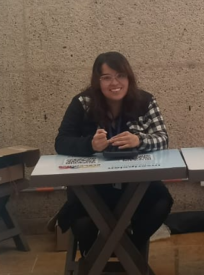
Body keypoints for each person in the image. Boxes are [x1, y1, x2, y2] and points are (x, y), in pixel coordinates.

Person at [54, 51, 173, 257]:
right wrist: (90, 144)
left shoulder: (145, 100)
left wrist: (139, 140)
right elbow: (61, 142)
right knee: (81, 219)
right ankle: (97, 259)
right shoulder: (82, 102)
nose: (114, 83)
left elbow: (163, 138)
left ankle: (128, 252)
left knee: (162, 202)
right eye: (106, 77)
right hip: (92, 184)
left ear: (129, 78)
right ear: (97, 81)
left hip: (136, 183)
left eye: (120, 76)